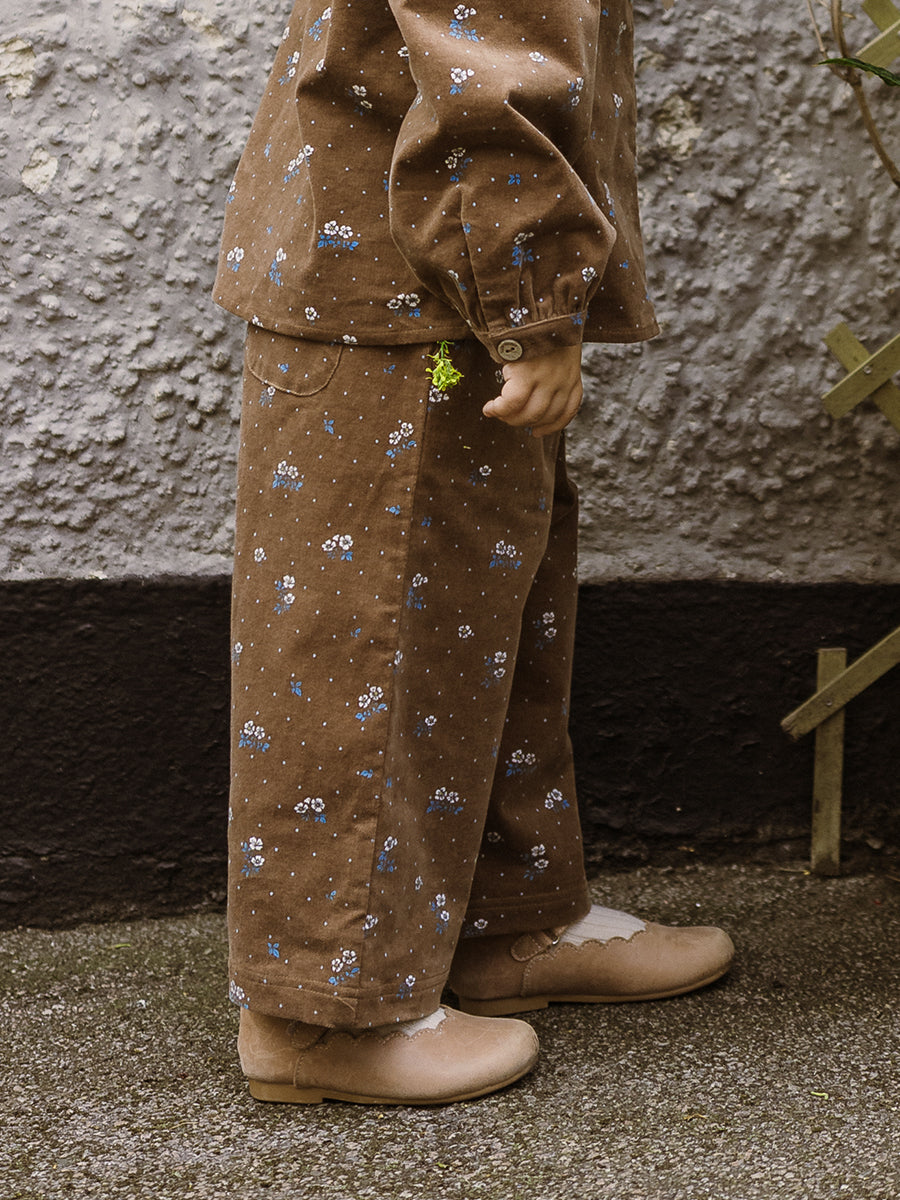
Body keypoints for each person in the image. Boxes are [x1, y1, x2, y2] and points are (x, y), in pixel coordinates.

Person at [212, 0, 734, 1107]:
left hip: (431, 288)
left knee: (481, 612)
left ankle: (504, 920)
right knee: (367, 640)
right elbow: (487, 63)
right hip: (408, 290)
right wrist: (531, 302)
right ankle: (321, 1013)